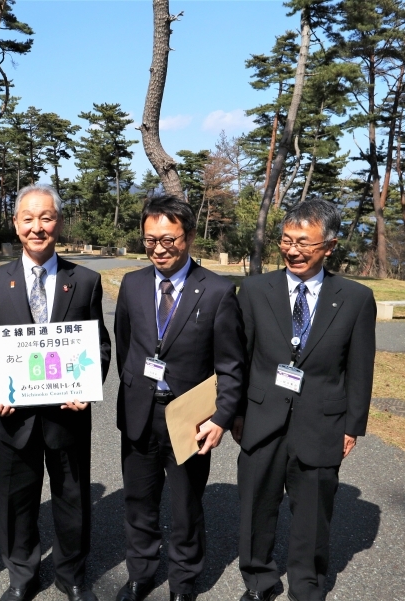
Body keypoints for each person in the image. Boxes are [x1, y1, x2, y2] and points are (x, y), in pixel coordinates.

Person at [0, 184, 111, 601]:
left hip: (67, 413)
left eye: (46, 218)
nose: (37, 227)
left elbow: (99, 345)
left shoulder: (84, 281)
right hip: (14, 416)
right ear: (16, 225)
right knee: (17, 501)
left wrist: (89, 385)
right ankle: (22, 575)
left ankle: (71, 575)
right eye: (28, 219)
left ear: (58, 223)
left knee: (71, 498)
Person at [232, 199, 376, 601]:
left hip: (322, 422)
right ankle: (258, 581)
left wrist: (353, 426)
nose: (293, 250)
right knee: (256, 509)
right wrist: (235, 413)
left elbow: (361, 367)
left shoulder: (355, 297)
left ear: (329, 247)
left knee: (313, 515)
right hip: (260, 418)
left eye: (304, 243)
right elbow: (239, 356)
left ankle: (307, 585)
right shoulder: (256, 289)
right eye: (286, 240)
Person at [114, 196, 245, 601]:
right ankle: (141, 572)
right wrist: (138, 387)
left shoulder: (218, 291)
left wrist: (221, 417)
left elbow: (232, 365)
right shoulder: (132, 285)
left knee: (187, 505)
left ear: (187, 237)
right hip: (139, 412)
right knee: (139, 501)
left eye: (168, 239)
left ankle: (184, 580)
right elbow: (125, 347)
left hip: (190, 419)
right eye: (149, 240)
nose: (158, 248)